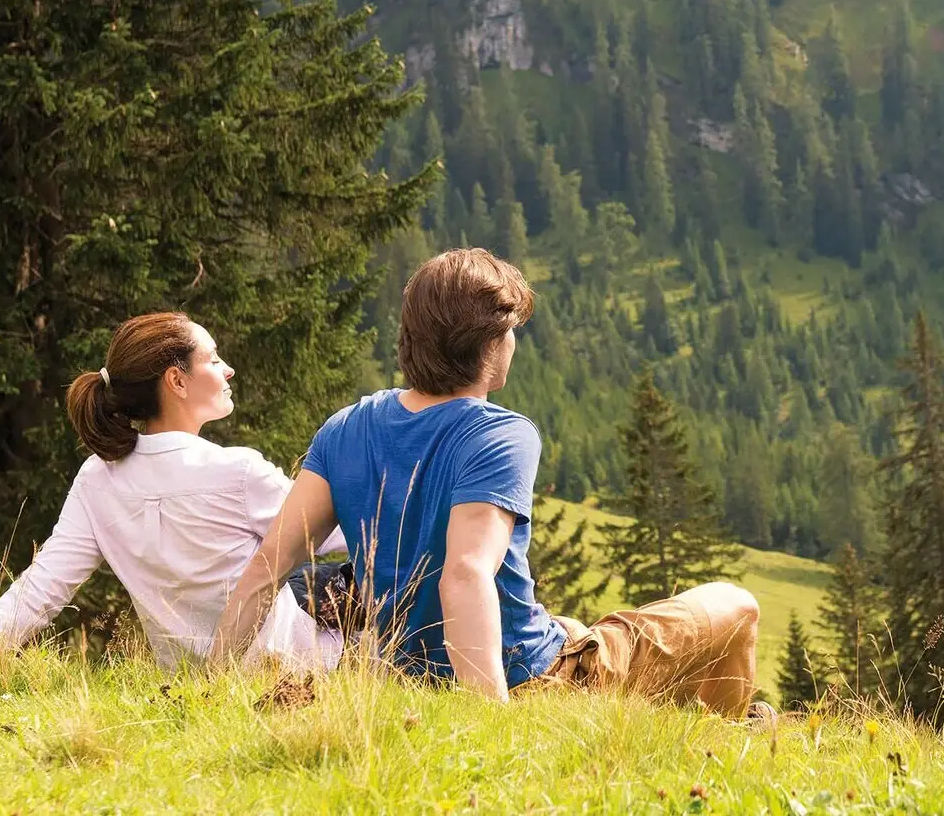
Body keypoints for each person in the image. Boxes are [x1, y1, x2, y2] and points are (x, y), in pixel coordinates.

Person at [211, 248, 766, 717]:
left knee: (571, 624)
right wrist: (493, 727)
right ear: (491, 344)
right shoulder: (499, 435)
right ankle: (723, 739)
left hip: (412, 686)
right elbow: (465, 574)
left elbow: (266, 568)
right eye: (511, 333)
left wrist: (210, 689)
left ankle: (681, 732)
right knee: (734, 604)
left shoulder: (346, 427)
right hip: (529, 684)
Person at [0, 313, 344, 672]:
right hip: (293, 669)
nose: (228, 370)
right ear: (177, 381)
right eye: (212, 359)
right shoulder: (239, 471)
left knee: (304, 578)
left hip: (182, 679)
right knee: (344, 576)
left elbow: (45, 585)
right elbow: (348, 534)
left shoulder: (98, 478)